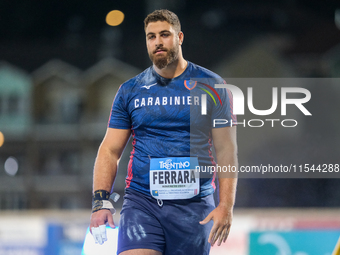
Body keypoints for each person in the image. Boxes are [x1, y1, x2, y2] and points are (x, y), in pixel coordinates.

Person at [89, 9, 238, 255]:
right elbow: (110, 150)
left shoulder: (213, 86)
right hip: (142, 203)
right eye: (151, 36)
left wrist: (226, 205)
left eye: (164, 35)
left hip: (194, 207)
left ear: (179, 37)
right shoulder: (130, 91)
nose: (157, 42)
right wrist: (100, 202)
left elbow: (226, 150)